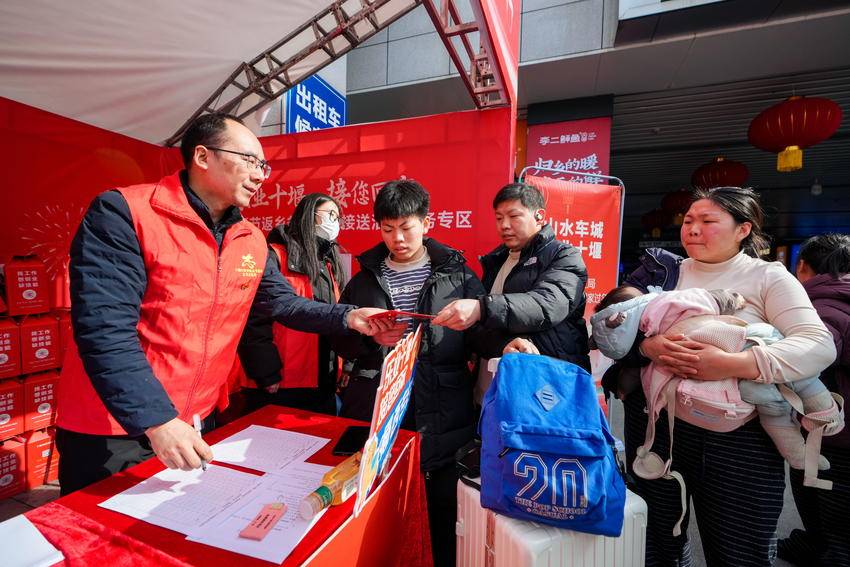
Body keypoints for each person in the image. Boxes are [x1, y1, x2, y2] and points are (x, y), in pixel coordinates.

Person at [55, 113, 390, 495]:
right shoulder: (126, 213)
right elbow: (105, 330)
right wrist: (158, 420)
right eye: (250, 160)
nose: (260, 175)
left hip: (196, 421)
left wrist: (350, 316)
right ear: (203, 156)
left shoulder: (250, 239)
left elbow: (283, 303)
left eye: (263, 166)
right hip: (115, 428)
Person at [616, 186, 836, 567]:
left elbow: (818, 345)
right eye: (688, 220)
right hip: (657, 429)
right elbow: (614, 330)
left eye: (708, 221)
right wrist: (649, 348)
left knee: (739, 551)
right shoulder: (663, 272)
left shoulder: (767, 277)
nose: (693, 229)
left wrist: (733, 364)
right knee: (657, 545)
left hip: (740, 440)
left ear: (743, 229)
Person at [330, 179, 493, 567]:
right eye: (388, 229)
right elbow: (340, 339)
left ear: (426, 223)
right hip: (381, 401)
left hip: (444, 405)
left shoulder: (457, 275)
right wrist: (371, 340)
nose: (397, 239)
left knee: (442, 510)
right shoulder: (364, 279)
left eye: (406, 227)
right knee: (382, 506)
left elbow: (483, 336)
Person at [593, 284, 841, 479]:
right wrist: (731, 299)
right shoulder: (665, 298)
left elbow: (625, 377)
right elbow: (712, 299)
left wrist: (728, 364)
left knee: (770, 399)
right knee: (785, 374)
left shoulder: (770, 276)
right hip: (734, 351)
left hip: (727, 389)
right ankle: (822, 417)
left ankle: (802, 444)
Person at [433, 182, 590, 402]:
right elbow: (485, 329)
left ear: (539, 216)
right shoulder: (496, 262)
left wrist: (481, 308)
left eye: (514, 216)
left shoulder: (563, 255)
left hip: (544, 391)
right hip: (492, 391)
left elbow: (547, 304)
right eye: (499, 218)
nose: (504, 225)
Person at [238, 193, 347, 416]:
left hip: (322, 382)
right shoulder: (275, 255)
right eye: (330, 215)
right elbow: (253, 318)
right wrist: (266, 372)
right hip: (281, 383)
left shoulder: (329, 262)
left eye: (337, 218)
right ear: (310, 215)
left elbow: (334, 318)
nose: (334, 223)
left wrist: (346, 366)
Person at [780, 233, 850, 567]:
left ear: (802, 267)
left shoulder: (820, 308)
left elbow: (810, 355)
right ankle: (813, 546)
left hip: (835, 438)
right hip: (836, 434)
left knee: (834, 521)